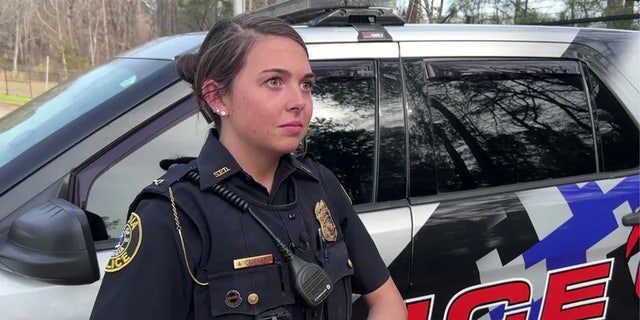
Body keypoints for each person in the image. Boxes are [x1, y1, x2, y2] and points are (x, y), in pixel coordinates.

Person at [90, 13, 407, 320]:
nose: (300, 101)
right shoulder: (172, 214)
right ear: (217, 97)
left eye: (306, 84)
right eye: (274, 81)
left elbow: (388, 301)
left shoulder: (319, 184)